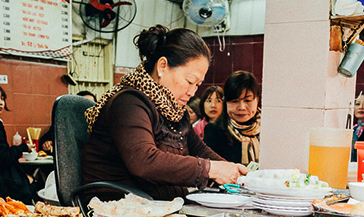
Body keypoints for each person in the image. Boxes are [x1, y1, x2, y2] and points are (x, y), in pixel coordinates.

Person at [82, 25, 247, 200]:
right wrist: (209, 169)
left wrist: (232, 170)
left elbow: (197, 149)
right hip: (120, 208)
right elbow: (144, 161)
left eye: (197, 85)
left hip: (161, 205)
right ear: (162, 66)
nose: (192, 92)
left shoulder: (175, 110)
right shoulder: (129, 102)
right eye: (190, 81)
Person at [203, 72, 261, 164]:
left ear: (257, 99)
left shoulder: (267, 130)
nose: (241, 107)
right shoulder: (214, 131)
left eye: (247, 100)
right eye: (234, 101)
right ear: (226, 102)